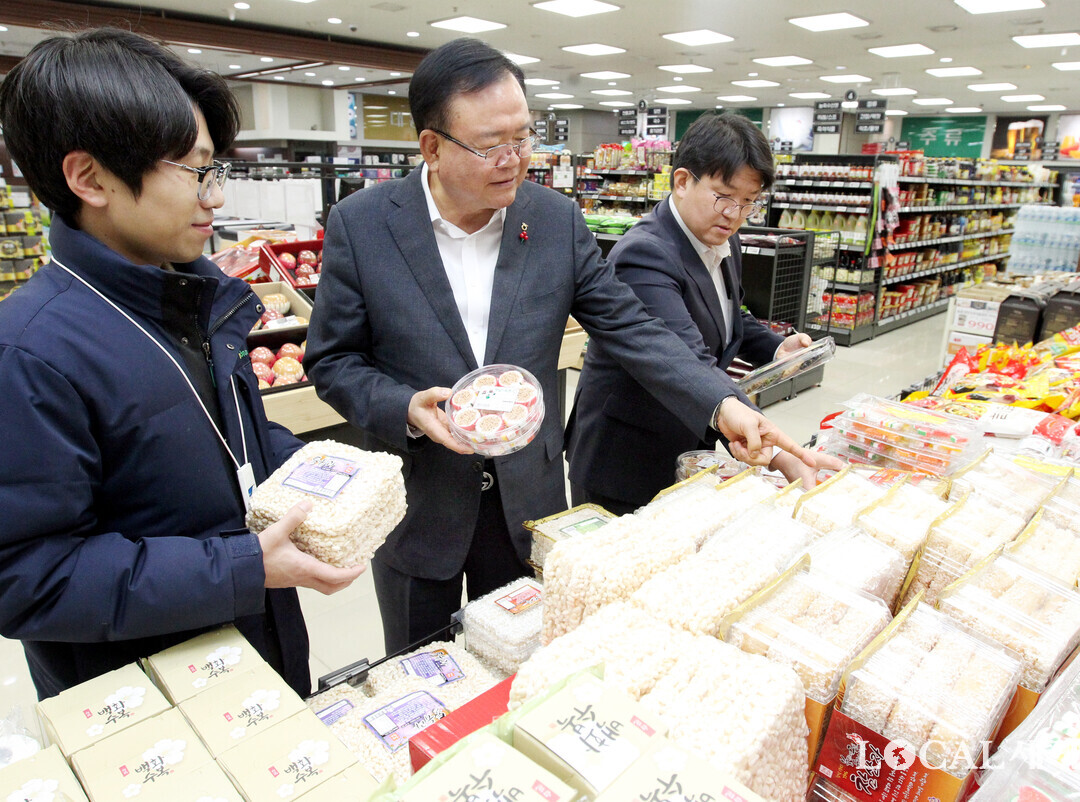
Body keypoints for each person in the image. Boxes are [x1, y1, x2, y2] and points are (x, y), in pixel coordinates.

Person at [305, 38, 815, 654]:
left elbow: (632, 326)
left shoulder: (553, 220)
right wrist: (404, 408)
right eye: (491, 145)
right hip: (420, 502)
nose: (513, 160)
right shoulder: (363, 224)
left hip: (528, 500)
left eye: (523, 138)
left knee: (525, 661)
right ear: (432, 147)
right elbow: (333, 360)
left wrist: (722, 403)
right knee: (417, 671)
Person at [0, 28, 362, 700]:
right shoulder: (29, 352)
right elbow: (27, 576)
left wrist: (333, 473)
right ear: (89, 178)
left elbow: (231, 442)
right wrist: (242, 566)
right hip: (152, 703)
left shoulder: (196, 298)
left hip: (258, 650)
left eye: (214, 170)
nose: (215, 198)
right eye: (196, 171)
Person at [566, 113, 839, 513]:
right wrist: (781, 452)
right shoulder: (645, 256)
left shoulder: (722, 237)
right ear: (682, 181)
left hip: (685, 440)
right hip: (625, 459)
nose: (735, 213)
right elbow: (687, 355)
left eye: (749, 201)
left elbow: (728, 312)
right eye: (724, 195)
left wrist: (775, 349)